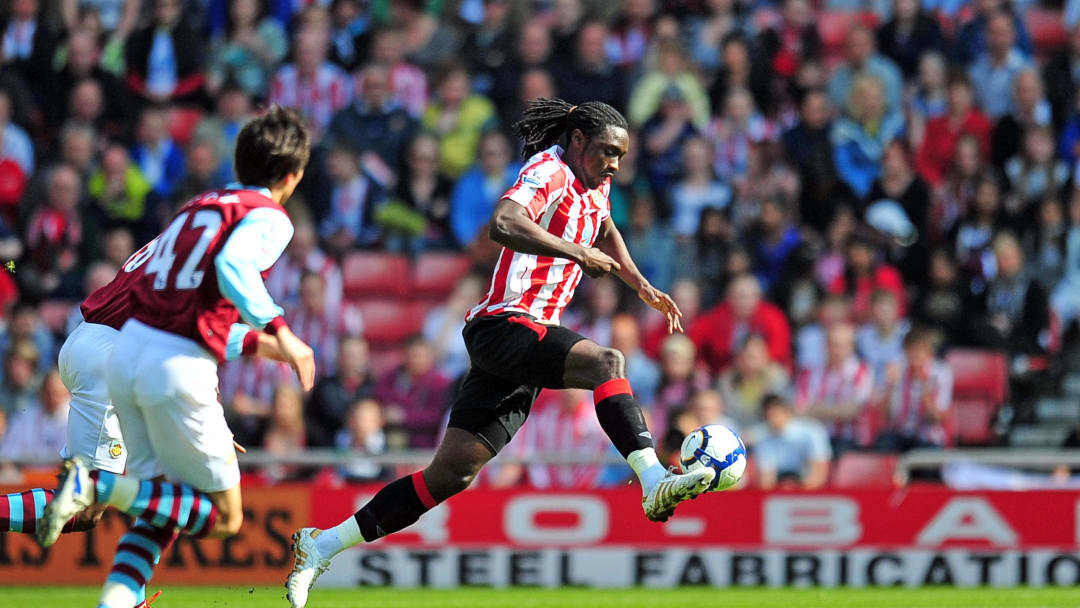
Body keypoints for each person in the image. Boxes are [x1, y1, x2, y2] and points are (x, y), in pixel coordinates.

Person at [286, 99, 712, 608]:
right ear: (578, 140)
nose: (615, 164)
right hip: (504, 324)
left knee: (450, 475)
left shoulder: (597, 183)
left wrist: (639, 282)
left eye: (620, 155)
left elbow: (603, 227)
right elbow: (504, 224)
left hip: (527, 342)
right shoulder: (547, 170)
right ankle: (653, 479)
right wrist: (577, 253)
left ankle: (320, 544)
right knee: (608, 363)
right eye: (607, 152)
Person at [37, 107, 317, 608]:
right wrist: (280, 332)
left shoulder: (195, 209)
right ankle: (96, 487)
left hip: (127, 350)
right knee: (224, 516)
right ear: (292, 177)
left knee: (161, 504)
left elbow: (180, 306)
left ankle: (120, 599)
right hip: (158, 359)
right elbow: (232, 269)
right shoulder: (268, 217)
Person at [752, 393, 831, 490]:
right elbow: (766, 480)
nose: (773, 419)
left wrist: (797, 490)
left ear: (787, 411)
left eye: (776, 413)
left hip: (807, 489)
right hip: (779, 490)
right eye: (768, 415)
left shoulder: (812, 431)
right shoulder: (763, 440)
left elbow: (819, 474)